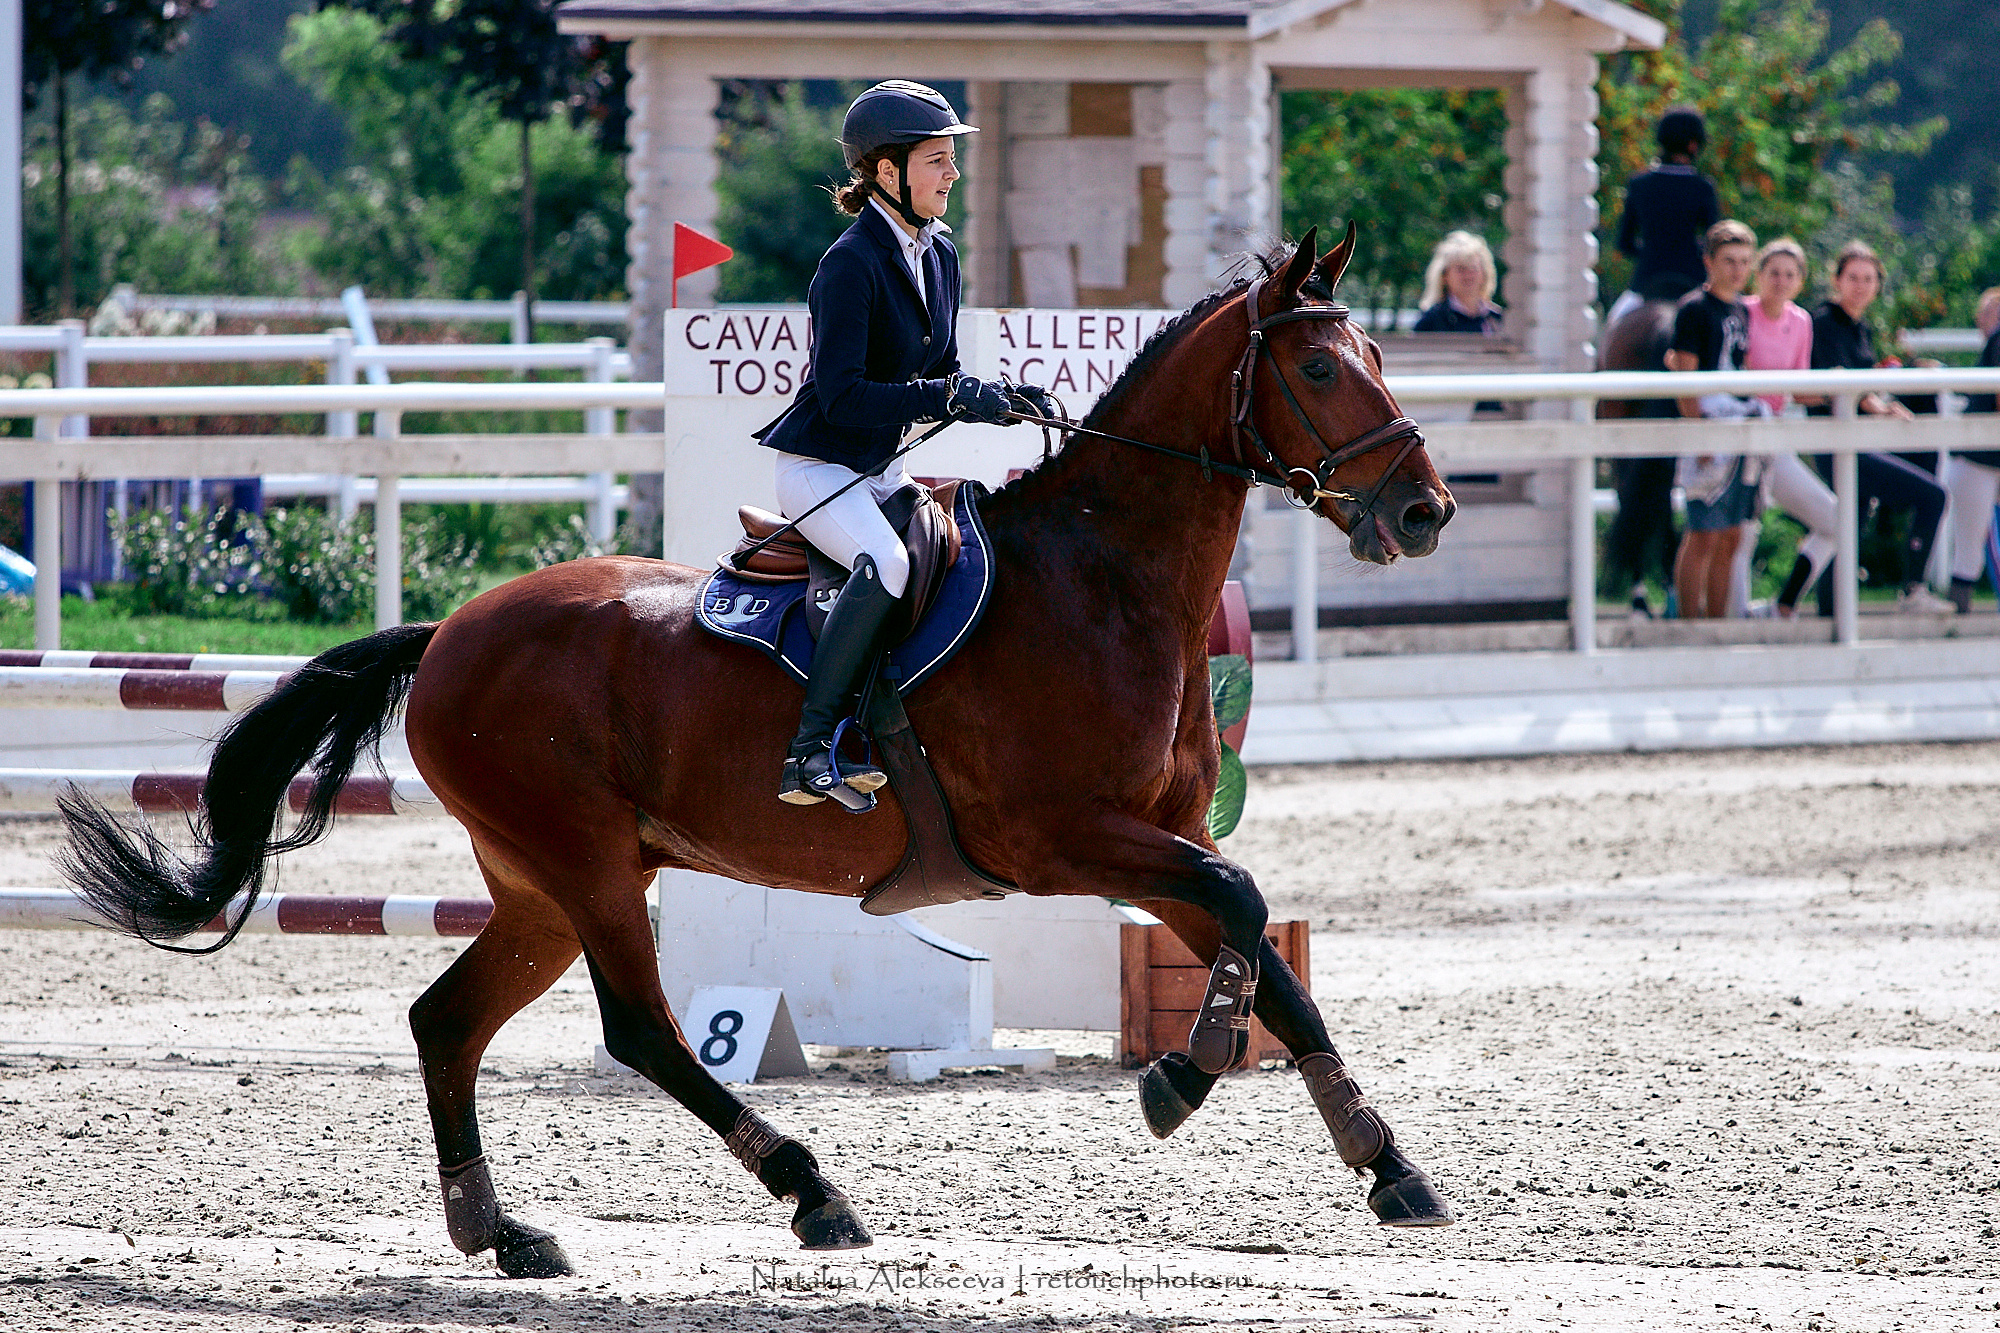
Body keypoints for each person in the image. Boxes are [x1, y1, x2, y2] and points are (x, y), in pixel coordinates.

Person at [755, 80, 1052, 806]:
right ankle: (808, 749)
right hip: (821, 469)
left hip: (878, 473)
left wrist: (1001, 400)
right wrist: (946, 396)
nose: (953, 173)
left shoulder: (939, 254)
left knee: (956, 554)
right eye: (937, 160)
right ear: (888, 172)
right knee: (886, 562)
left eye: (952, 159)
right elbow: (842, 397)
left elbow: (940, 372)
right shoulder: (850, 264)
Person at [1807, 240, 1953, 614]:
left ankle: (1825, 614)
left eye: (1868, 279)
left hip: (1859, 440)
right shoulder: (1824, 322)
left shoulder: (1861, 328)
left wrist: (1897, 382)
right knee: (1932, 496)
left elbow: (1862, 383)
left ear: (1877, 284)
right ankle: (1913, 589)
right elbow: (1839, 383)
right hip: (1837, 443)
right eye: (1853, 277)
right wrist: (1879, 406)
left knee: (1849, 526)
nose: (1860, 286)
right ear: (1837, 280)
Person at [1664, 219, 1764, 619]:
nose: (1737, 270)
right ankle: (1691, 624)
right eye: (1728, 261)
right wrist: (1699, 434)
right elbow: (1685, 378)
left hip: (1738, 429)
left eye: (1744, 261)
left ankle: (1717, 623)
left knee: (1732, 535)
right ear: (1709, 261)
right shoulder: (1694, 309)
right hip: (1706, 429)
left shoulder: (1741, 309)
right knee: (1702, 533)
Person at [1736, 237, 1838, 617]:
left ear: (1800, 281)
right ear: (1759, 275)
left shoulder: (1800, 321)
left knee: (1834, 520)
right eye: (1774, 272)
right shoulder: (1741, 313)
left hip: (1775, 435)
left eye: (1790, 274)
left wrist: (1841, 389)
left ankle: (1784, 604)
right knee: (1743, 532)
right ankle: (1735, 619)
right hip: (1741, 432)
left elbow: (1799, 387)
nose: (1781, 281)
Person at [1607, 107, 1722, 330]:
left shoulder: (1638, 184)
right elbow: (1715, 244)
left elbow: (1624, 243)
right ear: (1694, 145)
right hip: (1693, 279)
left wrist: (1652, 250)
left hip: (1647, 280)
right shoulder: (1703, 187)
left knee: (1612, 329)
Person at [1945, 286, 2000, 611]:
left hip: (1986, 458)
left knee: (1973, 551)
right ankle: (1957, 620)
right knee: (1970, 552)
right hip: (1978, 459)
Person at [1413, 232, 1503, 334]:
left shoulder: (1497, 319)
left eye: (1473, 268)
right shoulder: (1431, 321)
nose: (1468, 275)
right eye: (1461, 269)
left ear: (1485, 274)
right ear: (1444, 276)